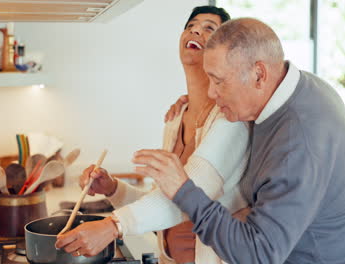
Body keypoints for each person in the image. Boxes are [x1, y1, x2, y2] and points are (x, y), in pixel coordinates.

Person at [132, 18, 345, 264]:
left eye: (218, 81)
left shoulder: (298, 140)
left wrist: (183, 190)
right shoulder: (292, 88)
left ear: (259, 74)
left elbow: (258, 255)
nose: (212, 92)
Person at [55, 6, 251, 264]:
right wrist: (113, 188)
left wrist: (113, 226)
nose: (195, 30)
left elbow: (188, 197)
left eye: (208, 28)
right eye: (191, 25)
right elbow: (164, 200)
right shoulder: (176, 117)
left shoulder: (230, 120)